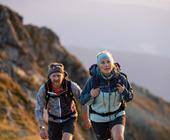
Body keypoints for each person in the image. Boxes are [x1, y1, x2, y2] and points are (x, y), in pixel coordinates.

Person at [80, 50, 133, 140]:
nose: (106, 65)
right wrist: (91, 95)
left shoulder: (120, 78)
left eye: (108, 62)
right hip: (98, 118)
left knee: (119, 137)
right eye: (103, 63)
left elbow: (130, 97)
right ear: (98, 66)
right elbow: (82, 100)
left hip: (117, 115)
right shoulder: (93, 81)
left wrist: (124, 91)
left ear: (112, 63)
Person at [35, 62, 90, 140]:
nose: (56, 78)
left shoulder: (71, 86)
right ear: (49, 77)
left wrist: (86, 118)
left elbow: (84, 100)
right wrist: (42, 127)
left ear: (63, 76)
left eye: (58, 75)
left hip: (69, 118)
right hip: (53, 121)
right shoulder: (44, 89)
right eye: (54, 76)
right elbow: (38, 109)